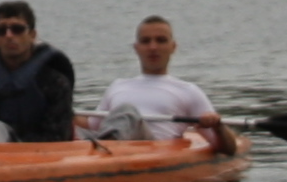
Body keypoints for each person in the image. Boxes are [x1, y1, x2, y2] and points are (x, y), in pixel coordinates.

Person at [91, 16, 229, 148]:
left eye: (161, 40)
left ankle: (107, 146)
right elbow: (92, 125)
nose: (153, 47)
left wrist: (217, 126)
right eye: (146, 41)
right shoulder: (117, 86)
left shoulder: (188, 91)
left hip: (151, 147)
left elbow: (228, 148)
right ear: (136, 48)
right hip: (108, 141)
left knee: (126, 110)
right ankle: (103, 146)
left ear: (173, 47)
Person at [0, 2, 77, 143]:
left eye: (17, 29)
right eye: (1, 30)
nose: (9, 36)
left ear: (32, 35)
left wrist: (17, 145)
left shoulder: (55, 83)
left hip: (40, 152)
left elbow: (57, 136)